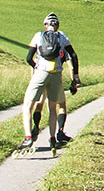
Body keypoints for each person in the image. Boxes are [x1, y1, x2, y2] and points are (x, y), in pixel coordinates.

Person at [17, 13, 80, 153]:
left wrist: (36, 67)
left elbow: (28, 58)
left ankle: (28, 137)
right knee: (52, 108)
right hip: (56, 74)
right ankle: (52, 138)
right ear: (57, 25)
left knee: (28, 105)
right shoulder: (62, 36)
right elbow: (74, 56)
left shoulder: (38, 35)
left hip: (41, 72)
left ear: (45, 25)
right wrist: (75, 76)